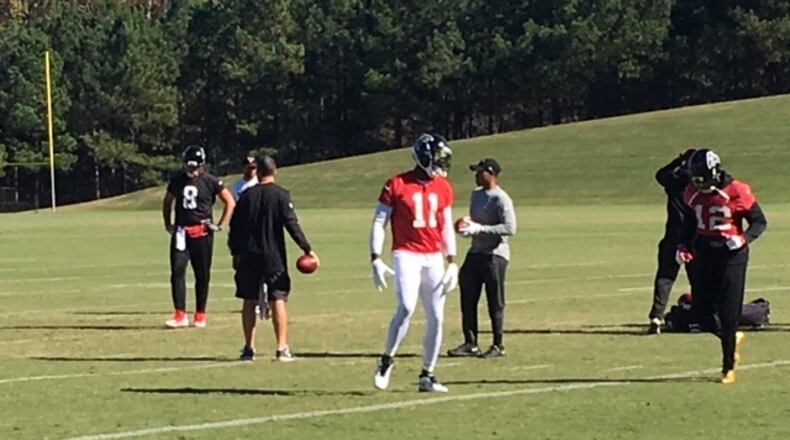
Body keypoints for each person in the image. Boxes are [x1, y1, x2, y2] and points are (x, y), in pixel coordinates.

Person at [370, 133, 458, 393]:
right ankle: (387, 359)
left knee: (437, 317)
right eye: (438, 158)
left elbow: (446, 227)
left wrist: (452, 260)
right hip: (406, 252)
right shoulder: (396, 184)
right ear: (424, 157)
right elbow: (379, 222)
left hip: (433, 256)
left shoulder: (443, 187)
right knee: (407, 307)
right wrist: (375, 257)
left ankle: (428, 374)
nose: (442, 165)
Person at [677, 148, 767, 384]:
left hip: (732, 256)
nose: (698, 183)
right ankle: (731, 336)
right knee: (700, 312)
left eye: (702, 177)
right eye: (695, 178)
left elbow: (759, 221)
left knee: (729, 313)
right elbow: (688, 223)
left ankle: (728, 366)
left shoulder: (737, 190)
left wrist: (743, 238)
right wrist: (683, 246)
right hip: (704, 252)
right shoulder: (692, 192)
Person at [228, 156, 318, 362]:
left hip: (249, 254)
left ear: (258, 172)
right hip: (273, 255)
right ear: (274, 171)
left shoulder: (246, 196)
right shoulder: (281, 195)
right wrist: (307, 249)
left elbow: (235, 228)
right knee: (278, 298)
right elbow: (292, 225)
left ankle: (249, 348)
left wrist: (235, 253)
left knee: (249, 300)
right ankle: (281, 347)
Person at [447, 158, 516, 358]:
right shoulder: (476, 195)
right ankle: (471, 342)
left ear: (491, 174)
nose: (476, 176)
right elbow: (475, 223)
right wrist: (467, 227)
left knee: (495, 300)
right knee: (467, 297)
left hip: (495, 255)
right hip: (475, 252)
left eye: (480, 172)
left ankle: (498, 345)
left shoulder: (501, 198)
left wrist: (481, 229)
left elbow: (510, 227)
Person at [162, 145, 235, 329]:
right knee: (177, 271)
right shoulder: (178, 180)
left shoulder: (211, 181)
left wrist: (220, 224)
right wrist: (167, 223)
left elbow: (230, 202)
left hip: (202, 232)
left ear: (202, 165)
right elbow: (168, 201)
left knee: (202, 274)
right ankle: (180, 314)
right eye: (188, 166)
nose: (191, 170)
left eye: (194, 166)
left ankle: (200, 314)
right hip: (181, 232)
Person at [647, 149, 697, 334]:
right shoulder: (698, 188)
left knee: (665, 277)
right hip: (694, 238)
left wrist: (678, 160)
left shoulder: (674, 183)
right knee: (697, 279)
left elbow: (660, 174)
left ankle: (656, 315)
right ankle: (699, 316)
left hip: (672, 236)